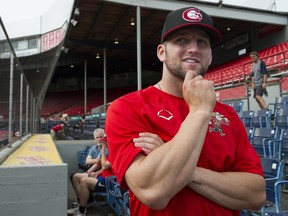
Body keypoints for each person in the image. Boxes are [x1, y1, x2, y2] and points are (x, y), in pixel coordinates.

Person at [105, 6, 266, 216]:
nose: (194, 48)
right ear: (162, 52)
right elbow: (154, 191)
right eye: (181, 40)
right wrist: (199, 111)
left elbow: (255, 195)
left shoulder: (228, 114)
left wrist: (176, 166)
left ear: (209, 56)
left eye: (202, 42)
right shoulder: (127, 108)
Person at [67, 137, 113, 216]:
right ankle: (82, 204)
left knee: (84, 181)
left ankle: (81, 211)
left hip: (109, 181)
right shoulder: (110, 151)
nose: (103, 143)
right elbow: (105, 168)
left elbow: (104, 166)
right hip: (101, 176)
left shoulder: (115, 152)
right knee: (75, 177)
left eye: (105, 142)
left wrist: (103, 150)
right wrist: (97, 173)